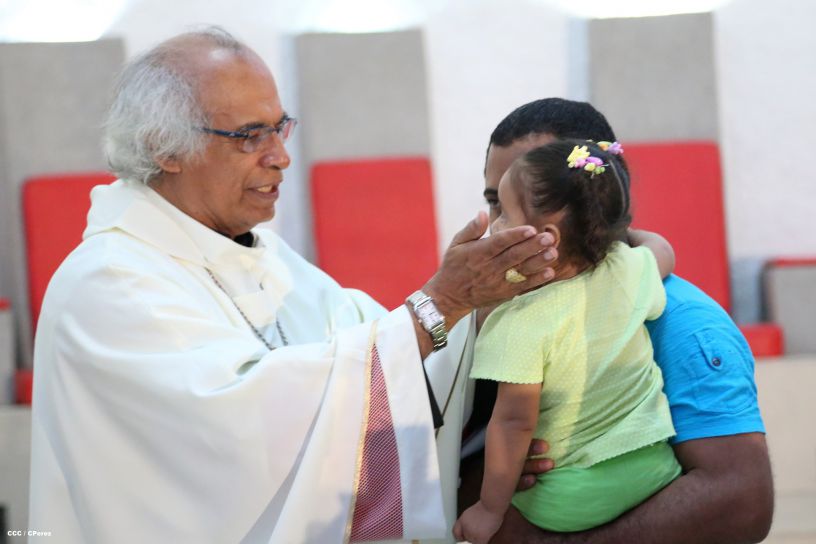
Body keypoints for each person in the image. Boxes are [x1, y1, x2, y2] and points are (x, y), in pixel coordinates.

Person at [26, 28, 559, 544]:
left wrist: (483, 318)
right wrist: (444, 302)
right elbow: (234, 437)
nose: (280, 155)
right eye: (249, 136)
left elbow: (383, 350)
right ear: (163, 148)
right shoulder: (106, 285)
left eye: (281, 128)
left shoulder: (261, 255)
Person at [461, 98, 773, 543]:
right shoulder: (506, 308)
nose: (497, 229)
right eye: (495, 204)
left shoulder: (683, 321)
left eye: (513, 209)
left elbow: (742, 500)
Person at [454, 140, 682, 544]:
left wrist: (489, 510)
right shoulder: (626, 270)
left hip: (568, 500)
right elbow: (662, 248)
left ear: (544, 238)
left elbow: (513, 422)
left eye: (504, 214)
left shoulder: (518, 321)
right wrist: (613, 235)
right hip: (656, 470)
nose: (495, 226)